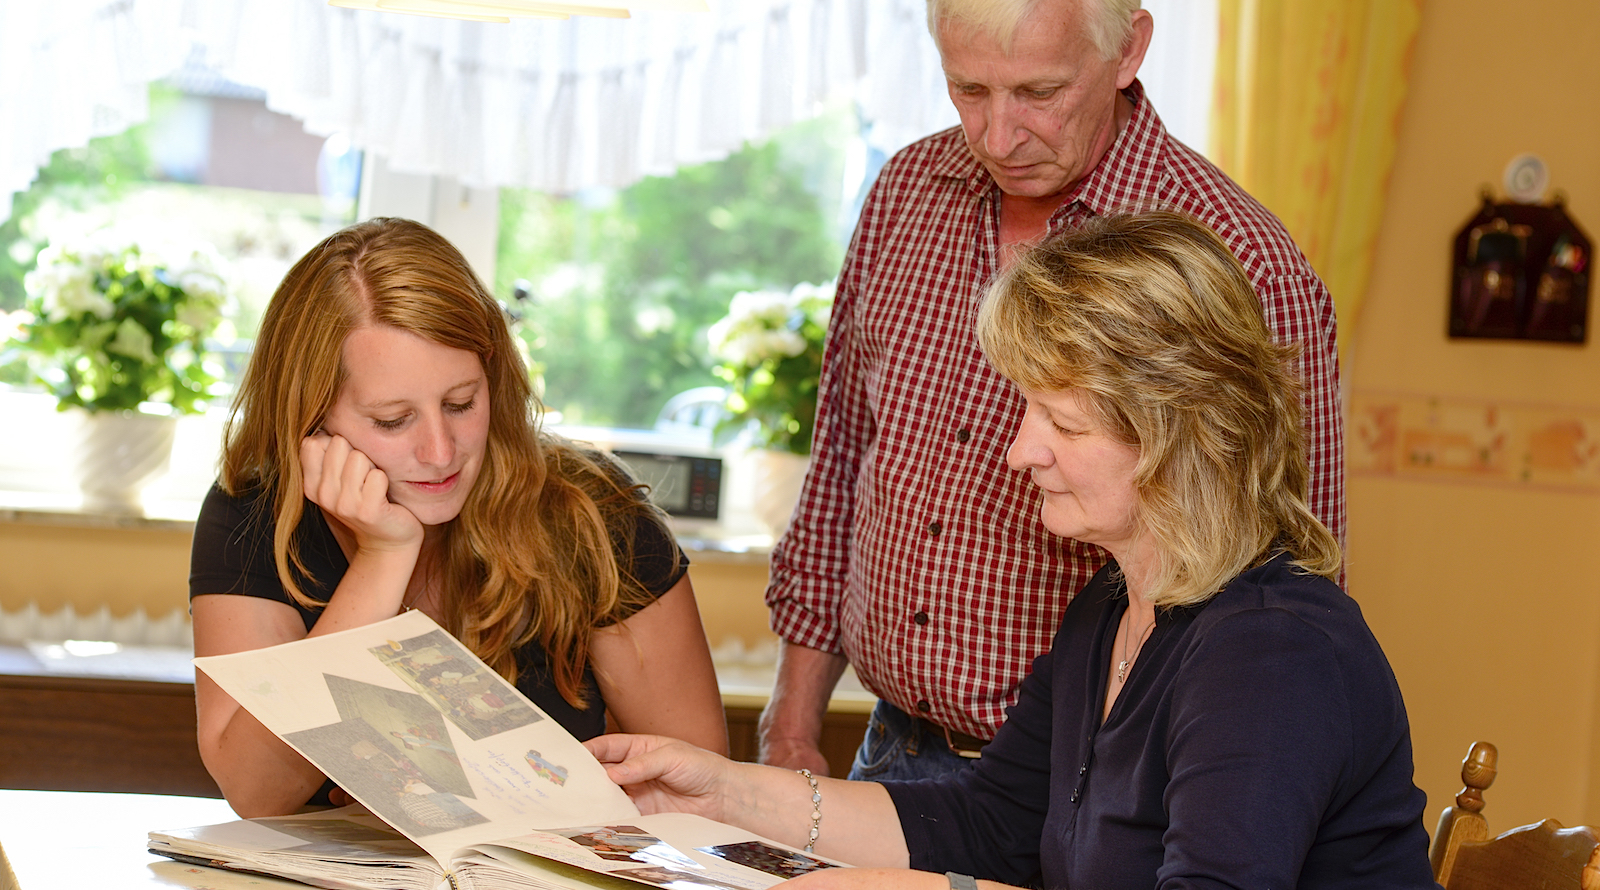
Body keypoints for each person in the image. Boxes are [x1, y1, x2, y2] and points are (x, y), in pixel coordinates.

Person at [589, 211, 1434, 890]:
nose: (1020, 451)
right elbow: (990, 823)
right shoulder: (1112, 608)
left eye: (1062, 423)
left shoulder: (1272, 651)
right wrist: (721, 789)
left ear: (1181, 435)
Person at [760, 0, 1346, 780]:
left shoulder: (1241, 260)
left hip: (1102, 780)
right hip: (891, 750)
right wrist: (790, 729)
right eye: (969, 90)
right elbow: (841, 463)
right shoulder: (906, 194)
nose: (998, 138)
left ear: (1128, 49)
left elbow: (1297, 584)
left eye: (1038, 93)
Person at [190, 217, 728, 817]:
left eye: (461, 403)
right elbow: (257, 793)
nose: (441, 452)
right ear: (310, 419)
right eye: (393, 420)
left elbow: (700, 798)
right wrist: (383, 558)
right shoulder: (254, 512)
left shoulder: (594, 512)